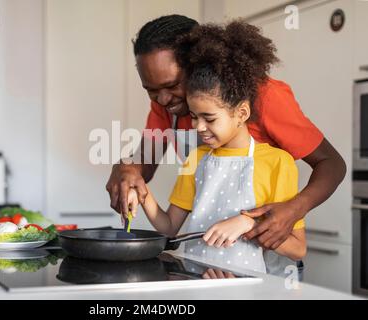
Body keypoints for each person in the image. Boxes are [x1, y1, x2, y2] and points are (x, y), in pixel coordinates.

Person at [106, 14, 346, 251]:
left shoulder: (261, 96)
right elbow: (145, 162)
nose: (163, 99)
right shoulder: (166, 104)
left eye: (172, 85)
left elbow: (331, 163)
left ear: (199, 64)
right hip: (213, 260)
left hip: (266, 252)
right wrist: (126, 169)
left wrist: (295, 208)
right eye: (151, 90)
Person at [126, 21, 306, 273]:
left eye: (209, 119)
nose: (198, 127)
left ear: (242, 112)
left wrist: (248, 225)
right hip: (200, 279)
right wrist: (140, 189)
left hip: (254, 287)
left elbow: (298, 249)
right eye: (194, 117)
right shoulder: (196, 159)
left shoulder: (277, 163)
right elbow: (168, 227)